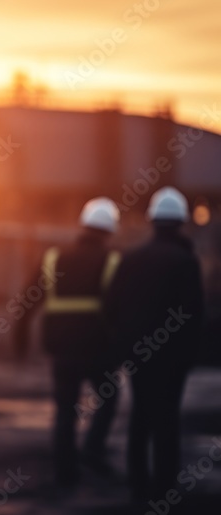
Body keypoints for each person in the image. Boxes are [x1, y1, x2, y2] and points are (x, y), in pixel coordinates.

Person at [104, 186, 204, 502]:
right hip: (173, 358)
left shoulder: (131, 259)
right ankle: (165, 486)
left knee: (141, 416)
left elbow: (111, 306)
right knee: (167, 419)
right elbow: (194, 314)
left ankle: (138, 484)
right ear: (181, 222)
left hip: (138, 354)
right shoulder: (185, 261)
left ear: (152, 220)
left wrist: (124, 344)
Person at [14, 197, 123, 486]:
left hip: (61, 349)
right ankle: (92, 448)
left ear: (83, 225)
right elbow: (122, 309)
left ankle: (65, 473)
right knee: (109, 398)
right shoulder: (112, 260)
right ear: (109, 230)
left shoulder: (53, 257)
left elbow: (26, 303)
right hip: (98, 348)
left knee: (65, 410)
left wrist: (20, 343)